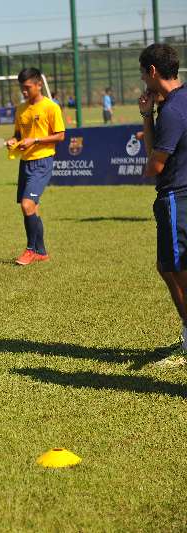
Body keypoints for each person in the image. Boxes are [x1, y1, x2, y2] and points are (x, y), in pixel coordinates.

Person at [138, 44, 187, 355]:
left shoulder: (171, 111)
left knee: (175, 269)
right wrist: (148, 116)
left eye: (143, 73)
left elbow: (154, 166)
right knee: (167, 267)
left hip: (175, 197)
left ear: (153, 71)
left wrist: (148, 164)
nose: (143, 80)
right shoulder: (177, 101)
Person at [5, 68, 65, 266]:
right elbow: (18, 134)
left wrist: (35, 140)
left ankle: (30, 250)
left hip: (42, 161)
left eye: (27, 87)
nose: (24, 91)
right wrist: (13, 141)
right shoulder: (21, 109)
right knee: (32, 208)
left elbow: (60, 135)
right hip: (25, 162)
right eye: (22, 88)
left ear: (39, 85)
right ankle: (41, 252)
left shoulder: (51, 107)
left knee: (27, 204)